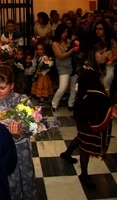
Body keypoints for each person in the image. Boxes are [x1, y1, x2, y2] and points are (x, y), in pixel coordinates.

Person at [60, 40, 117, 190]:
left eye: (106, 52)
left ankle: (67, 153)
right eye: (101, 52)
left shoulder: (93, 69)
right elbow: (94, 98)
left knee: (82, 137)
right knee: (86, 144)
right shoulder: (88, 73)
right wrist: (109, 109)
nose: (105, 55)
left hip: (85, 111)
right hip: (88, 114)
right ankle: (84, 174)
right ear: (93, 54)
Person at [0, 66, 38, 200]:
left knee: (22, 178)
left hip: (19, 149)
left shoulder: (22, 100)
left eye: (2, 88)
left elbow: (33, 126)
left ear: (11, 85)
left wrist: (19, 134)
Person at [51, 24, 79, 111]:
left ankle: (71, 103)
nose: (65, 33)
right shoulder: (55, 44)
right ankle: (54, 104)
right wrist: (72, 49)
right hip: (63, 67)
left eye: (67, 31)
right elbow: (61, 56)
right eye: (63, 31)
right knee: (62, 87)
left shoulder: (69, 41)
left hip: (72, 65)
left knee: (74, 86)